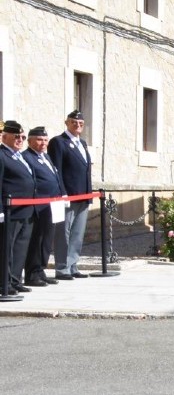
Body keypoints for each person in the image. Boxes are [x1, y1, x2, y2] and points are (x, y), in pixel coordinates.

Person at [48, 109, 92, 280]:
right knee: (63, 232)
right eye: (74, 122)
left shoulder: (83, 143)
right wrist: (62, 193)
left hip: (83, 195)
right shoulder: (59, 142)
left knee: (77, 233)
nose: (77, 125)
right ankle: (61, 267)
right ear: (67, 123)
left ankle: (72, 265)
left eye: (80, 123)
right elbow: (56, 169)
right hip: (67, 196)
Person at [22, 126, 66, 287]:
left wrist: (62, 194)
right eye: (39, 140)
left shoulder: (46, 157)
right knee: (37, 239)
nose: (43, 143)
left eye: (45, 140)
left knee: (47, 240)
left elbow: (55, 176)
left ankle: (41, 270)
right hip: (39, 205)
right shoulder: (27, 157)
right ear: (30, 141)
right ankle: (32, 274)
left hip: (52, 204)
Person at [1, 121, 36, 293]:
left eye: (22, 137)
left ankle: (15, 280)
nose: (20, 140)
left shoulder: (19, 156)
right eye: (16, 137)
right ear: (4, 136)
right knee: (7, 248)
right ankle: (4, 283)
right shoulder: (2, 155)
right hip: (10, 211)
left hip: (26, 210)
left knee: (20, 247)